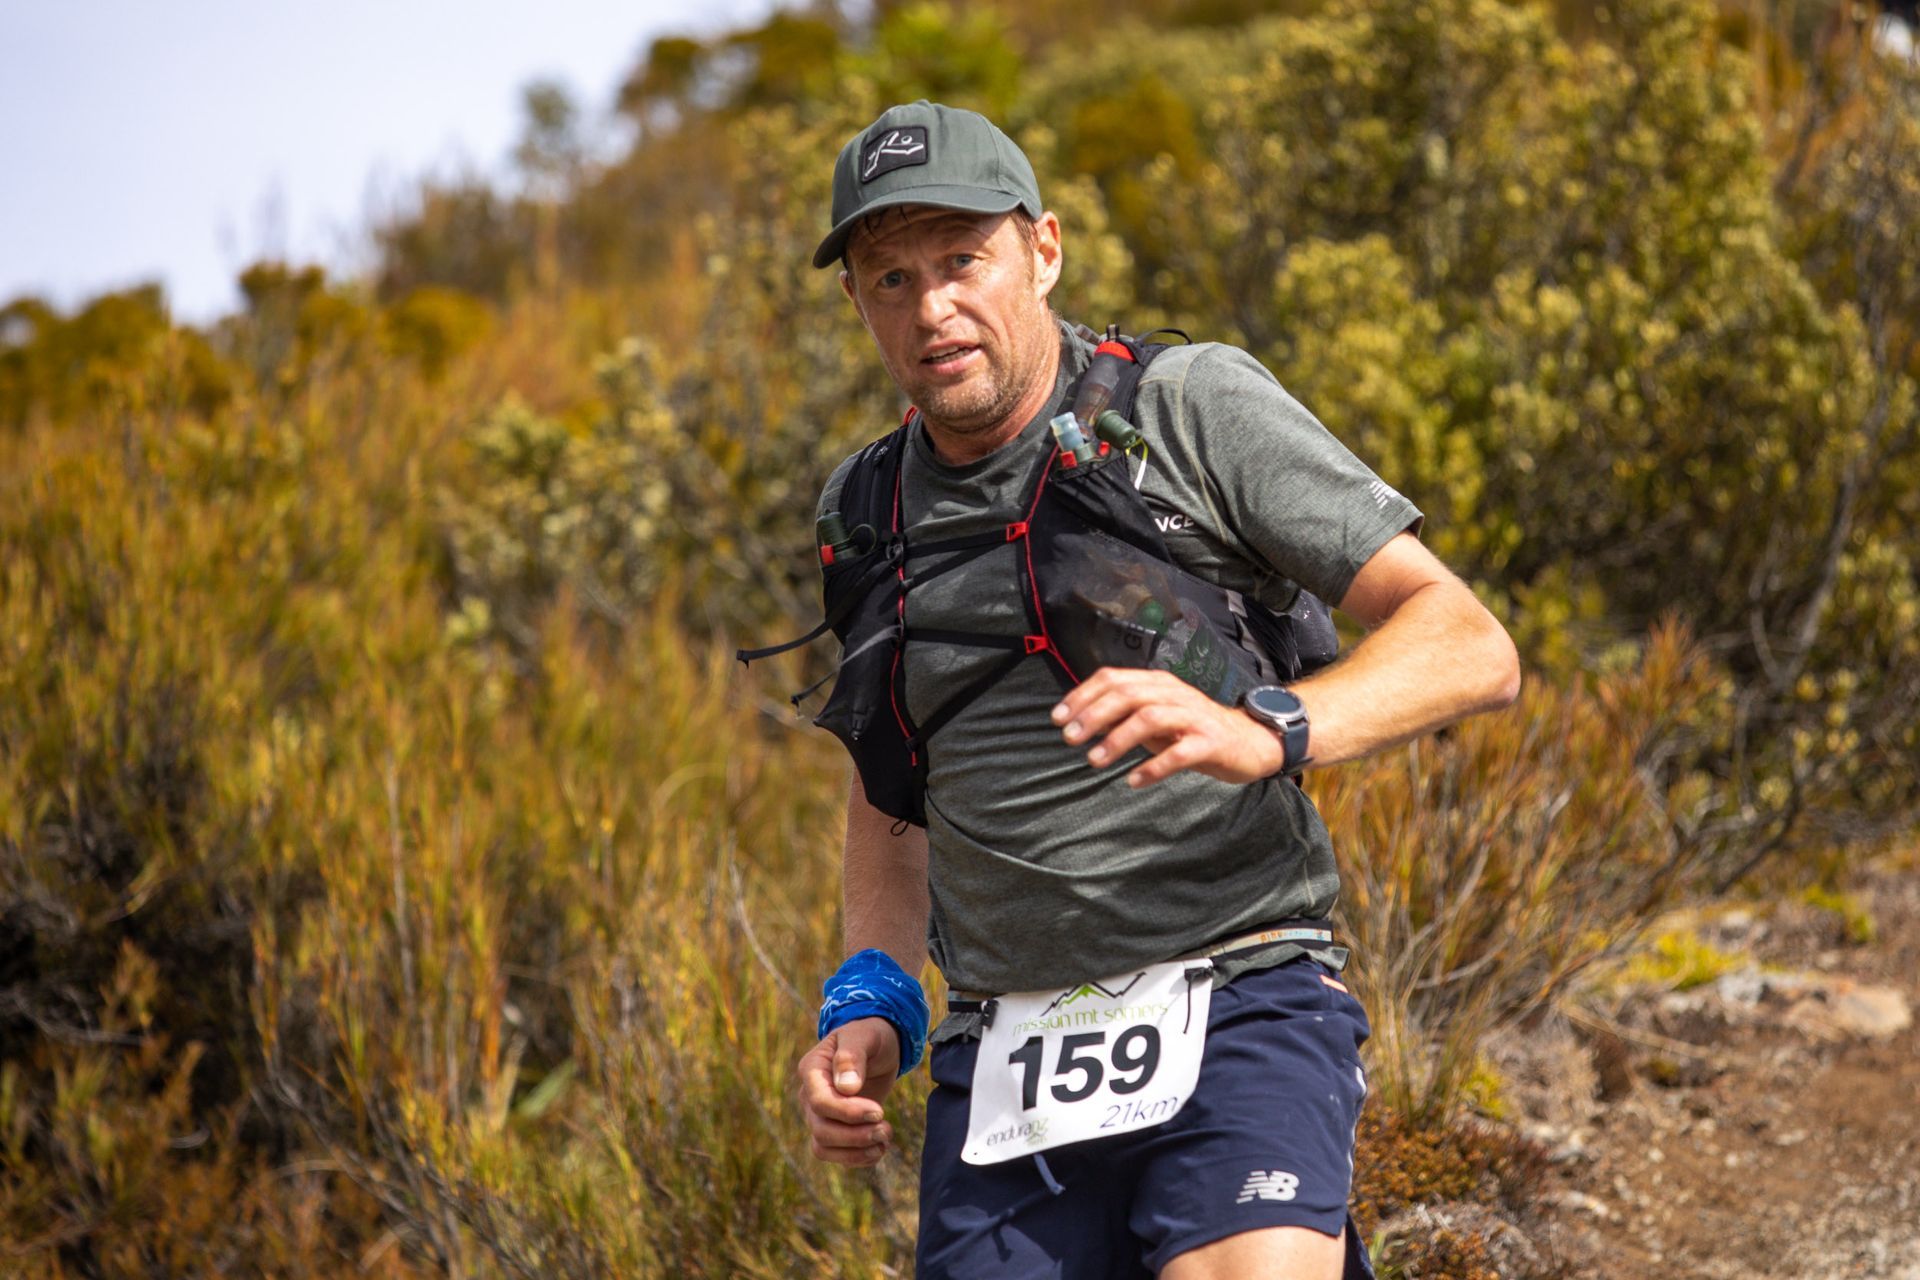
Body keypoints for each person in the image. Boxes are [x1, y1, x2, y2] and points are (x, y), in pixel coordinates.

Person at [790, 100, 1520, 1280]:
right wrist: (870, 998)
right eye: (890, 278)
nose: (932, 309)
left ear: (1046, 248)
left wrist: (1269, 727)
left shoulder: (1189, 409)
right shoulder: (863, 509)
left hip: (1239, 983)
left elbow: (1470, 641)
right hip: (1004, 1050)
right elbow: (892, 787)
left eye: (964, 260)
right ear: (856, 302)